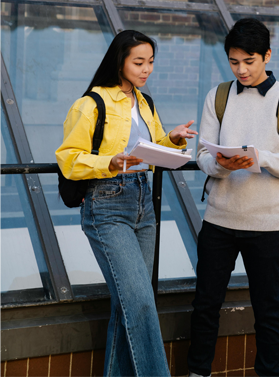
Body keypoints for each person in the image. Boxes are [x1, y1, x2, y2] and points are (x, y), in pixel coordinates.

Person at [56, 30, 197, 377]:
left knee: (128, 305)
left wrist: (172, 139)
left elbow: (149, 150)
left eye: (150, 62)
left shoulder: (145, 102)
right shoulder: (90, 104)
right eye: (139, 62)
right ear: (119, 61)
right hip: (106, 204)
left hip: (143, 202)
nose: (146, 69)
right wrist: (109, 163)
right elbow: (68, 158)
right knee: (141, 302)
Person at [187, 18, 279, 377]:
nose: (241, 69)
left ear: (267, 55)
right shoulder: (219, 96)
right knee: (205, 305)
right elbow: (203, 156)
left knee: (267, 310)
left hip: (268, 224)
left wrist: (259, 158)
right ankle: (198, 372)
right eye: (234, 62)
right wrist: (224, 165)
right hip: (219, 220)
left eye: (249, 61)